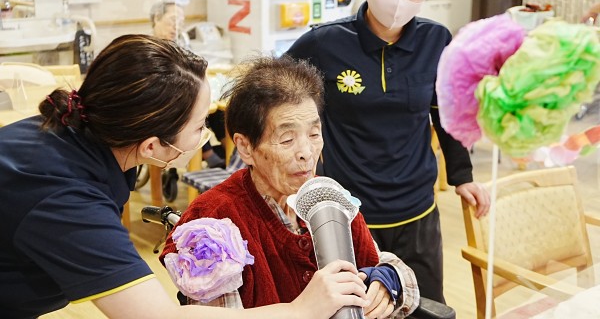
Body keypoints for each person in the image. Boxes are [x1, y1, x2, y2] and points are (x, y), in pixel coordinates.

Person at [0, 35, 369, 319]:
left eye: (314, 133)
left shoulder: (81, 136)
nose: (207, 135)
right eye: (199, 126)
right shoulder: (64, 196)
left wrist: (388, 279)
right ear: (152, 147)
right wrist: (299, 310)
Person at [285, 0, 490, 304]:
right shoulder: (324, 43)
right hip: (347, 216)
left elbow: (446, 112)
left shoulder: (436, 40)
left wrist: (462, 176)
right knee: (356, 308)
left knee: (426, 308)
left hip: (417, 211)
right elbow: (273, 94)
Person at [161, 57, 420, 318]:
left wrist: (388, 280)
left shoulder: (325, 197)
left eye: (314, 134)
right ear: (245, 147)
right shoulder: (213, 222)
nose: (307, 152)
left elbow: (390, 267)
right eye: (286, 139)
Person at [149, 0, 225, 170]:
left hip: (186, 95)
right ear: (157, 18)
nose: (177, 26)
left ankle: (229, 152)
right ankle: (209, 154)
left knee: (218, 111)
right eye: (173, 20)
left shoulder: (180, 44)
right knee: (193, 112)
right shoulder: (150, 48)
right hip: (164, 106)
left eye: (181, 22)